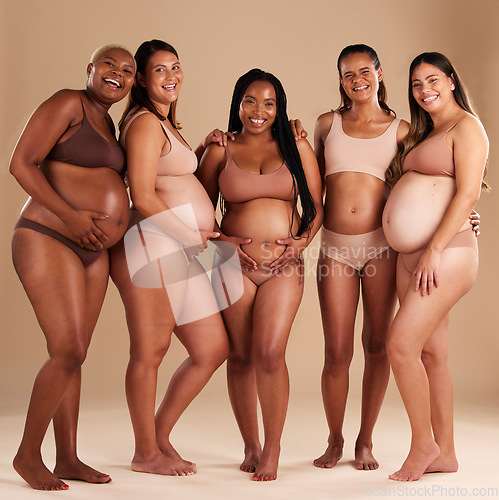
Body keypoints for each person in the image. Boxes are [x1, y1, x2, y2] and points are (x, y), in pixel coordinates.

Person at [9, 45, 136, 491]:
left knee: (75, 352)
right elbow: (20, 163)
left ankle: (67, 457)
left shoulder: (111, 124)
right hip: (49, 236)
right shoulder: (68, 102)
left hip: (93, 251)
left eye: (127, 70)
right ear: (90, 69)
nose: (117, 74)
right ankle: (27, 455)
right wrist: (70, 217)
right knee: (68, 350)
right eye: (109, 65)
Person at [109, 39, 230, 477]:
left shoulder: (163, 124)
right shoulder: (143, 123)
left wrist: (201, 149)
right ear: (141, 78)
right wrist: (188, 235)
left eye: (176, 67)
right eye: (159, 70)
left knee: (211, 348)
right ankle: (145, 452)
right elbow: (141, 194)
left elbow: (170, 174)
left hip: (175, 248)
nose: (171, 76)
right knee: (151, 350)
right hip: (151, 245)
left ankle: (157, 437)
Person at [197, 68, 323, 481]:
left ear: (280, 107)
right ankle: (250, 443)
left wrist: (301, 243)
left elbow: (317, 208)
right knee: (240, 354)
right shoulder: (221, 149)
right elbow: (197, 213)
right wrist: (222, 242)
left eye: (269, 103)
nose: (259, 111)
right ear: (237, 104)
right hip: (233, 266)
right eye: (250, 101)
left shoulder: (296, 145)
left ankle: (272, 447)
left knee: (269, 353)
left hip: (282, 266)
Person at [383, 52, 489, 481]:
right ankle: (445, 453)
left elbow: (467, 195)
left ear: (450, 80)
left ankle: (422, 444)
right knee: (432, 353)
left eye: (432, 80)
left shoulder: (468, 127)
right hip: (412, 256)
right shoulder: (428, 131)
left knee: (400, 345)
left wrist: (433, 248)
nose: (424, 90)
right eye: (415, 84)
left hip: (444, 255)